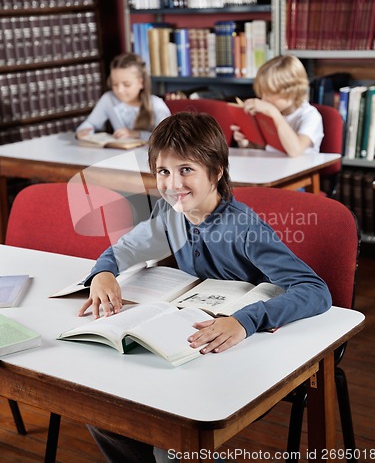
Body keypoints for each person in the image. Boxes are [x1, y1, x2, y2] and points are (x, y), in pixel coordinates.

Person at [77, 112, 331, 463]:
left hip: (245, 351)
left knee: (168, 435)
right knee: (103, 413)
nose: (172, 183)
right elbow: (124, 250)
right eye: (163, 172)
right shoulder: (169, 217)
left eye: (186, 170)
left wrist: (246, 320)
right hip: (192, 344)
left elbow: (315, 290)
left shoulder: (244, 228)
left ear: (216, 172)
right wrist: (104, 272)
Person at [233, 55, 323, 157]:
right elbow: (267, 149)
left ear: (292, 92)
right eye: (262, 93)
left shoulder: (311, 116)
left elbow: (295, 151)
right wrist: (247, 144)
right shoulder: (269, 113)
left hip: (303, 171)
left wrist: (274, 114)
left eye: (270, 93)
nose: (263, 99)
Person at [75, 52, 171, 141]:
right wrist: (83, 131)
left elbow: (167, 137)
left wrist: (136, 134)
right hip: (120, 155)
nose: (119, 90)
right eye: (115, 84)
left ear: (141, 83)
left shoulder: (156, 105)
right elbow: (90, 123)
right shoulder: (109, 99)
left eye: (127, 84)